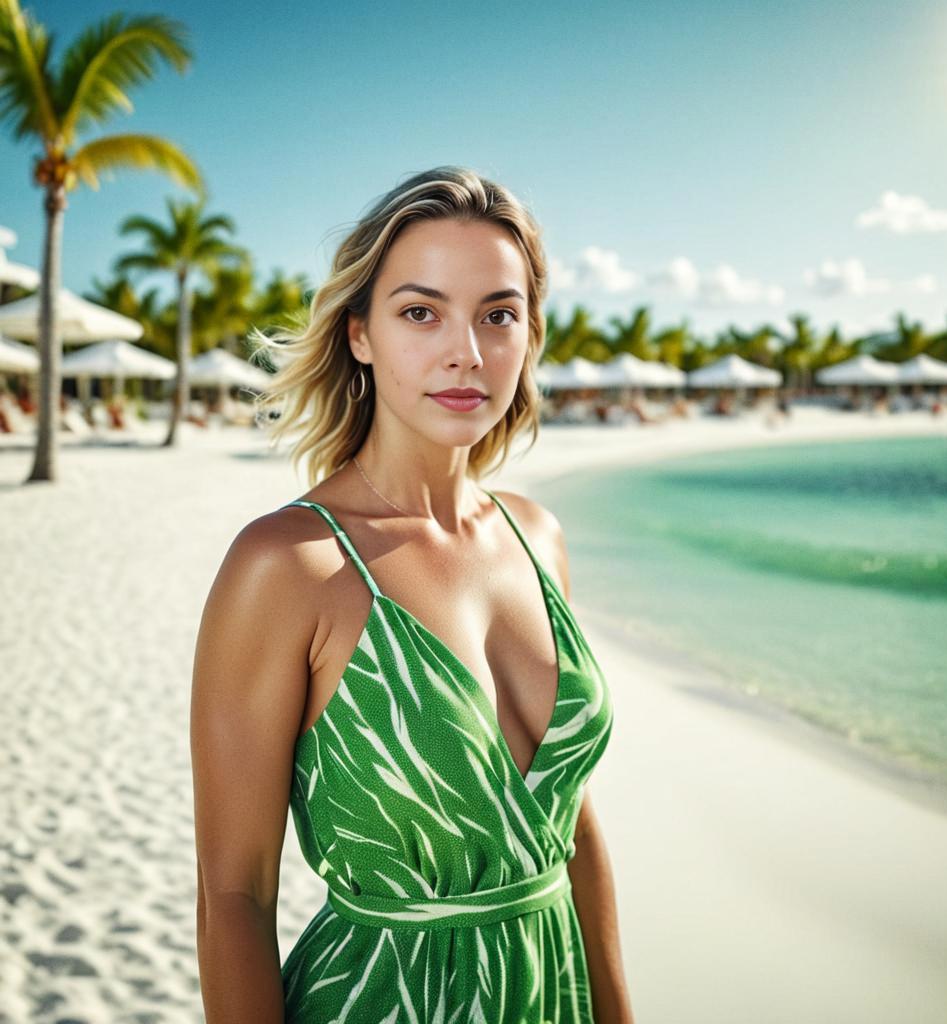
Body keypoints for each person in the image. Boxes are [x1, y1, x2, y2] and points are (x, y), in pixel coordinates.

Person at [190, 166, 633, 1023]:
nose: (466, 350)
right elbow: (233, 896)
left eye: (498, 314)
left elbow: (571, 830)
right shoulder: (289, 566)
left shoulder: (537, 538)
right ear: (359, 334)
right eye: (420, 312)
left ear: (529, 336)